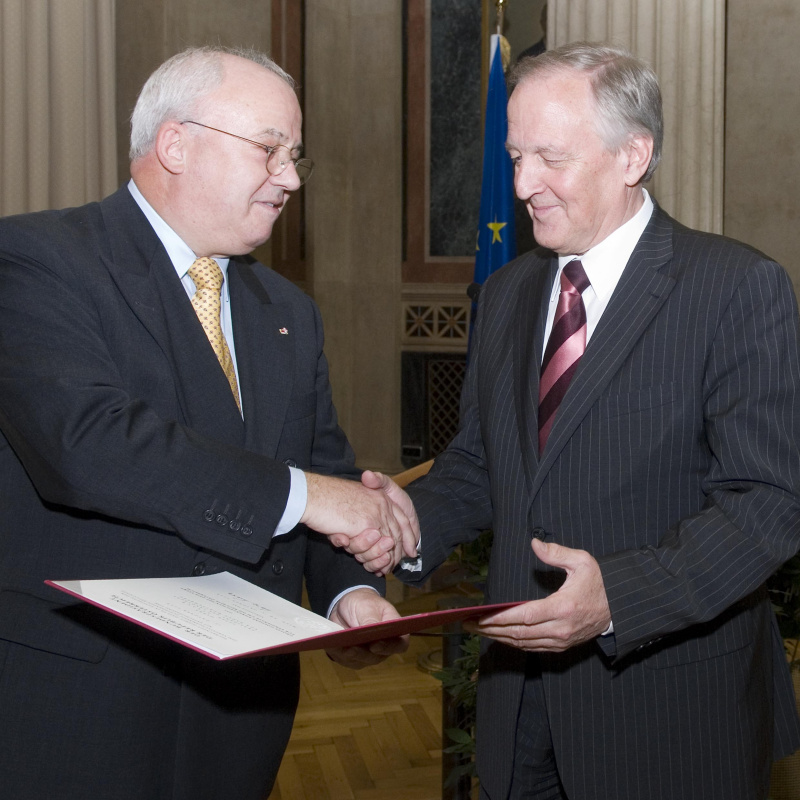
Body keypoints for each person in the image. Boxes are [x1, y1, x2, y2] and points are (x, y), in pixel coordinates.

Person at [368, 41, 800, 799]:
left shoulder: (736, 288)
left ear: (633, 155)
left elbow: (767, 504)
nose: (524, 183)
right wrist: (400, 525)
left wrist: (618, 599)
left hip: (667, 707)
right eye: (514, 156)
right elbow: (478, 466)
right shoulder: (504, 296)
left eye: (550, 158)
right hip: (517, 704)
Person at [0, 46, 416, 800]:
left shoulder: (288, 312)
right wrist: (314, 497)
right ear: (177, 143)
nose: (290, 178)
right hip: (76, 704)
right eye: (270, 150)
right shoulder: (36, 260)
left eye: (295, 157)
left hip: (240, 717)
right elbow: (85, 443)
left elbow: (326, 468)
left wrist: (349, 594)